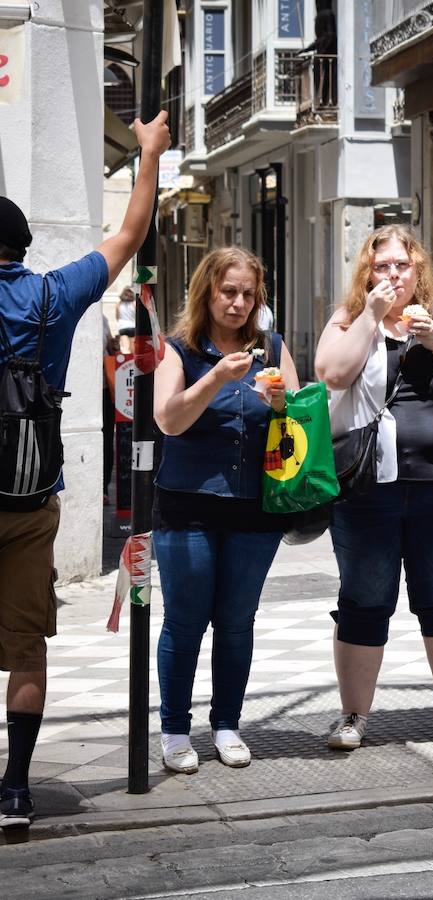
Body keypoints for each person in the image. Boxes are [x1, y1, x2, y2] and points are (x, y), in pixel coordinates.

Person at [0, 110, 171, 828]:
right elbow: (128, 234)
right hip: (29, 499)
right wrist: (149, 152)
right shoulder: (51, 295)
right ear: (22, 248)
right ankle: (16, 791)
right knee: (25, 649)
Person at [314, 224, 433, 753]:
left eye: (402, 265)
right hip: (368, 489)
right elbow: (331, 374)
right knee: (363, 599)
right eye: (382, 266)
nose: (393, 274)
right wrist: (370, 316)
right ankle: (353, 715)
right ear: (368, 274)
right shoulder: (348, 319)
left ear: (418, 271)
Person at [153, 246, 299, 774]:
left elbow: (299, 418)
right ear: (207, 292)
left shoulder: (272, 347)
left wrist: (281, 403)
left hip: (255, 506)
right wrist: (215, 378)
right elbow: (168, 419)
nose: (238, 304)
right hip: (188, 504)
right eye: (228, 292)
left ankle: (227, 724)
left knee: (237, 622)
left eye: (248, 295)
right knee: (185, 620)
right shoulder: (178, 349)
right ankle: (174, 730)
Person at [102, 314, 118, 504]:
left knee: (107, 438)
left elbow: (111, 349)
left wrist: (114, 346)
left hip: (105, 388)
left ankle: (104, 487)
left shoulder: (103, 319)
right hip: (87, 389)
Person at [116, 285, 135, 352]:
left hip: (123, 327)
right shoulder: (134, 304)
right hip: (132, 326)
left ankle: (126, 357)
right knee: (132, 347)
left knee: (125, 347)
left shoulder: (119, 304)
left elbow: (117, 317)